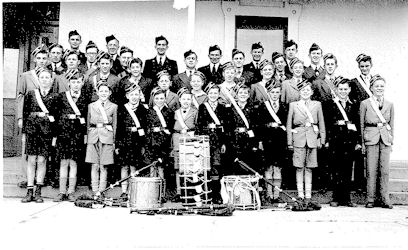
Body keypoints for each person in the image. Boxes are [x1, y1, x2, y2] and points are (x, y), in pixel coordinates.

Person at [21, 68, 58, 203]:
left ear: (51, 80)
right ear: (38, 79)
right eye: (42, 77)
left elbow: (56, 118)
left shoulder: (55, 96)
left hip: (46, 132)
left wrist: (54, 135)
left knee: (42, 160)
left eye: (47, 77)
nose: (44, 80)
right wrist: (24, 132)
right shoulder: (31, 94)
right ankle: (29, 191)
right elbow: (25, 114)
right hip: (32, 130)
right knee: (31, 160)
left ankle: (38, 191)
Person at [286, 80, 325, 207]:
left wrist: (322, 138)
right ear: (299, 92)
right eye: (303, 90)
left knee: (309, 168)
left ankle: (308, 195)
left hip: (312, 138)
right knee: (299, 167)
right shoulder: (294, 105)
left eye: (308, 90)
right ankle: (300, 194)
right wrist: (289, 141)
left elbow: (321, 123)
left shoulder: (317, 104)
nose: (305, 92)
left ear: (312, 92)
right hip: (298, 138)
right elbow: (289, 124)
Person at [16, 45, 50, 189]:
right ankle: (26, 178)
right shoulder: (26, 76)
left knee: (43, 153)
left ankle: (40, 179)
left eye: (44, 58)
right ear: (34, 59)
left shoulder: (49, 75)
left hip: (44, 121)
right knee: (28, 150)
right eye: (39, 58)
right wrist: (20, 117)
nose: (41, 61)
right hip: (30, 118)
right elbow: (20, 96)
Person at [53, 72, 89, 202]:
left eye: (78, 82)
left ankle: (71, 191)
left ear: (82, 83)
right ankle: (62, 191)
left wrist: (85, 135)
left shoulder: (85, 98)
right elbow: (56, 116)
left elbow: (87, 118)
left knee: (74, 163)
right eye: (73, 82)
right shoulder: (62, 97)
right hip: (64, 133)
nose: (75, 85)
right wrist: (56, 134)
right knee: (63, 162)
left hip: (77, 134)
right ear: (69, 83)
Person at [360, 75, 394, 209]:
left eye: (381, 86)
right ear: (371, 88)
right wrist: (363, 142)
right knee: (371, 169)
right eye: (376, 86)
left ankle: (384, 198)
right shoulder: (365, 103)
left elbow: (392, 124)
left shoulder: (390, 104)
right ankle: (371, 199)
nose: (379, 88)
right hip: (371, 137)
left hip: (385, 138)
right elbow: (362, 124)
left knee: (384, 170)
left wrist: (391, 141)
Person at [326, 77, 360, 207]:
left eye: (345, 89)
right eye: (340, 89)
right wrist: (327, 140)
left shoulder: (354, 104)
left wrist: (358, 141)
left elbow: (357, 124)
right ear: (336, 90)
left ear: (350, 89)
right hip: (335, 140)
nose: (343, 91)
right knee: (335, 169)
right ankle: (336, 197)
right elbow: (328, 123)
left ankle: (347, 198)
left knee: (347, 170)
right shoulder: (331, 104)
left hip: (349, 141)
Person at [255, 80, 288, 206]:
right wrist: (260, 141)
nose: (275, 94)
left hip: (280, 141)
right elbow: (259, 126)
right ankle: (269, 194)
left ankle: (277, 195)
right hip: (267, 141)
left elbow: (287, 124)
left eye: (277, 92)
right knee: (268, 168)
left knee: (278, 168)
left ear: (280, 93)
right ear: (268, 92)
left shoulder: (284, 106)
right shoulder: (263, 107)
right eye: (272, 92)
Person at [197, 82, 231, 203]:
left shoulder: (223, 108)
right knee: (205, 168)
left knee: (216, 167)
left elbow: (226, 127)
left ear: (218, 94)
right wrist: (200, 141)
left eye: (215, 93)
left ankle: (217, 195)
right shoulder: (202, 107)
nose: (213, 95)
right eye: (211, 93)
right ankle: (206, 195)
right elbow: (199, 125)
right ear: (207, 93)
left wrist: (224, 143)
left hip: (218, 141)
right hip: (206, 140)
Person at [115, 83, 148, 200]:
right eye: (131, 94)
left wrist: (144, 144)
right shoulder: (122, 108)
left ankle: (133, 190)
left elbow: (146, 127)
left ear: (140, 95)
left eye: (136, 94)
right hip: (124, 141)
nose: (134, 97)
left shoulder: (143, 109)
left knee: (134, 166)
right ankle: (124, 190)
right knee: (124, 166)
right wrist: (117, 144)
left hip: (137, 142)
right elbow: (118, 128)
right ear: (127, 96)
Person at [85, 82, 118, 199]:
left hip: (107, 137)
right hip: (93, 136)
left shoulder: (114, 107)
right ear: (97, 92)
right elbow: (88, 123)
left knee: (104, 166)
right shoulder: (91, 106)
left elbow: (115, 124)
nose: (103, 93)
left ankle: (102, 191)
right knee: (94, 165)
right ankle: (95, 191)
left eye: (106, 91)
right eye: (101, 91)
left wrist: (114, 140)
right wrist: (87, 137)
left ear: (109, 93)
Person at [145, 87, 175, 198]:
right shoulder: (150, 111)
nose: (159, 100)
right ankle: (153, 193)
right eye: (157, 98)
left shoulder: (169, 111)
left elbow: (171, 127)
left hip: (164, 142)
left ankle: (161, 193)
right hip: (152, 141)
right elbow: (147, 127)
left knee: (162, 167)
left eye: (162, 98)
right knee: (152, 166)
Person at [171, 88, 198, 201]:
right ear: (180, 100)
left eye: (188, 99)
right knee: (178, 168)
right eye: (183, 99)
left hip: (190, 142)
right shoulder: (175, 112)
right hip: (178, 141)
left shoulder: (195, 112)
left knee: (190, 168)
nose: (186, 101)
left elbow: (197, 126)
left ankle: (190, 191)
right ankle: (179, 192)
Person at [228, 84, 258, 175]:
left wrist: (254, 142)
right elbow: (229, 126)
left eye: (245, 93)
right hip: (235, 140)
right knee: (236, 165)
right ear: (236, 95)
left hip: (248, 140)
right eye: (240, 93)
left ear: (249, 95)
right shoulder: (231, 109)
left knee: (248, 165)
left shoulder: (253, 108)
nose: (243, 95)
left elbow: (255, 126)